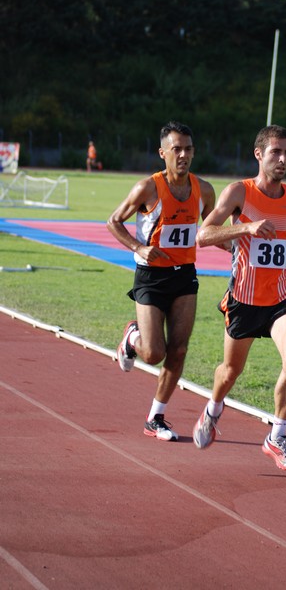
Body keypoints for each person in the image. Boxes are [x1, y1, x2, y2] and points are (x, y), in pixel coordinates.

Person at [192, 124, 286, 472]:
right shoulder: (238, 193)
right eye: (275, 152)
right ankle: (213, 408)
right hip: (245, 299)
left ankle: (276, 437)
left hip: (282, 298)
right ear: (258, 154)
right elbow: (203, 235)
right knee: (231, 371)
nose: (282, 159)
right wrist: (245, 227)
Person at [107, 121, 216, 441]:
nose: (183, 155)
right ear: (162, 153)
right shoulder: (148, 188)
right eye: (177, 149)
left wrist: (234, 241)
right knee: (154, 353)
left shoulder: (205, 190)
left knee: (179, 350)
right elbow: (114, 221)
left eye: (189, 149)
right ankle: (132, 338)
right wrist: (139, 247)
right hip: (151, 277)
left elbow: (207, 230)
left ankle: (156, 417)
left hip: (185, 276)